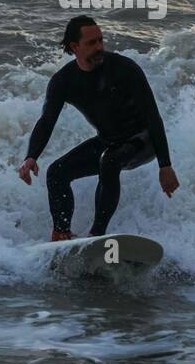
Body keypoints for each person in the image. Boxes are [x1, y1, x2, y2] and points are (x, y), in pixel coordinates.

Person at [18, 15, 179, 241]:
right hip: (109, 141)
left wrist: (165, 165)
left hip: (143, 140)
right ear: (74, 47)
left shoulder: (124, 69)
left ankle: (97, 236)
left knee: (109, 160)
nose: (99, 47)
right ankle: (61, 234)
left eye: (101, 40)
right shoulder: (64, 81)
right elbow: (46, 121)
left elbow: (153, 117)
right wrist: (31, 157)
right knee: (57, 172)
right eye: (92, 43)